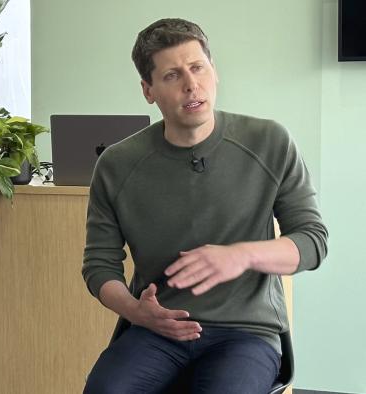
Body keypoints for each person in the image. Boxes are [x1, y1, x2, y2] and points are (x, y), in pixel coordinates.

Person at [82, 18, 327, 393]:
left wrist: (240, 256)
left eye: (198, 68)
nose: (191, 85)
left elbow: (312, 242)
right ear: (148, 90)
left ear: (214, 71)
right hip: (157, 331)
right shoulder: (116, 165)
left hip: (246, 334)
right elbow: (99, 267)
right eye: (172, 75)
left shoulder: (270, 142)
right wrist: (136, 312)